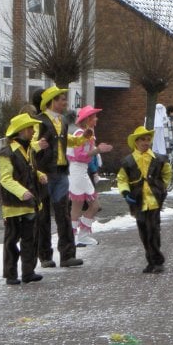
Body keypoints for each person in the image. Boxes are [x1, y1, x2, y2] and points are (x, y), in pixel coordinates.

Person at [32, 86, 87, 269]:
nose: (65, 102)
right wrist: (38, 145)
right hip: (45, 173)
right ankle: (45, 256)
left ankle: (67, 255)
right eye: (62, 99)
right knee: (44, 214)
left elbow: (65, 140)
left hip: (61, 172)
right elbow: (29, 144)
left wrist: (81, 139)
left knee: (63, 213)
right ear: (52, 102)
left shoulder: (62, 121)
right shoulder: (38, 121)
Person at [0, 113, 45, 285]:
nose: (33, 131)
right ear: (21, 131)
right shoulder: (7, 152)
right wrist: (22, 192)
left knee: (30, 238)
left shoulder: (29, 149)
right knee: (11, 240)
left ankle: (28, 272)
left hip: (31, 202)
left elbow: (28, 170)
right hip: (13, 204)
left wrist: (39, 175)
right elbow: (6, 179)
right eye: (30, 128)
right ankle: (11, 274)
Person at [118, 126, 172, 273]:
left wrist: (161, 188)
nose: (146, 142)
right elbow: (122, 179)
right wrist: (125, 192)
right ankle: (151, 260)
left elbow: (167, 173)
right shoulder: (128, 161)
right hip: (137, 200)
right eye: (142, 139)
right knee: (143, 231)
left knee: (154, 229)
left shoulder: (159, 159)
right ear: (135, 142)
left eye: (148, 139)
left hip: (154, 200)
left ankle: (157, 261)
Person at [67, 105, 113, 245]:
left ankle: (82, 234)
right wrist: (97, 150)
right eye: (94, 117)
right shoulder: (80, 135)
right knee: (77, 206)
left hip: (82, 171)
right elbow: (78, 155)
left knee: (94, 205)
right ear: (87, 119)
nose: (96, 119)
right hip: (77, 171)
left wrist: (97, 150)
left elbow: (87, 154)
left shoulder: (87, 134)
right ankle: (73, 237)